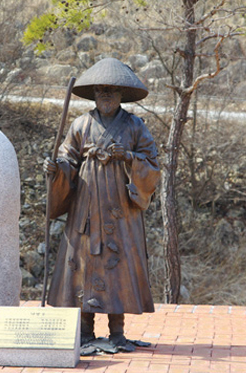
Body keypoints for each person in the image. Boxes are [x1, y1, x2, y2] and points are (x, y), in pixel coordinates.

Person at [43, 58, 160, 351]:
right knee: (84, 264)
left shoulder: (134, 126)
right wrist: (57, 168)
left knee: (118, 265)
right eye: (100, 91)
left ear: (121, 94)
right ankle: (84, 332)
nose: (105, 96)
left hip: (121, 209)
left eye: (111, 91)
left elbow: (153, 164)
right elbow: (68, 159)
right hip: (86, 206)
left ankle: (117, 332)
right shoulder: (81, 124)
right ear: (94, 94)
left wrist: (129, 157)